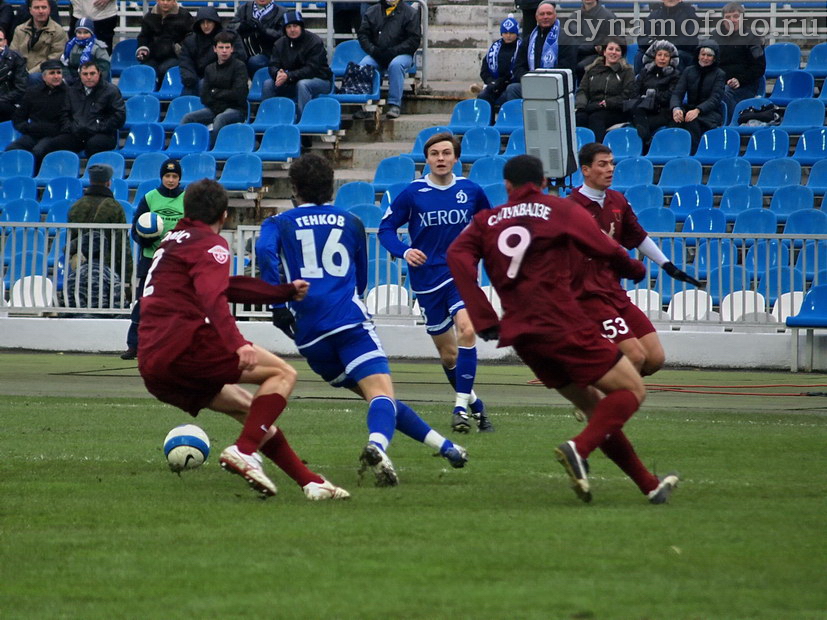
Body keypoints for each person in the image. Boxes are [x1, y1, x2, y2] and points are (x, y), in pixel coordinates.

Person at [447, 154, 680, 505]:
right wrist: (634, 269)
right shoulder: (558, 208)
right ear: (542, 182)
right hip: (562, 323)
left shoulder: (485, 220)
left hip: (523, 337)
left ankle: (649, 485)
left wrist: (483, 317)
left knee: (594, 407)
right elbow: (604, 246)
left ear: (507, 186)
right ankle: (578, 448)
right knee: (632, 390)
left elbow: (457, 256)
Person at [256, 153, 468, 487]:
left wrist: (280, 307)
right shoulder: (351, 222)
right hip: (348, 321)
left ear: (295, 188)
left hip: (309, 334)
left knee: (379, 398)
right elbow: (361, 280)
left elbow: (266, 256)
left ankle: (448, 448)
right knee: (381, 395)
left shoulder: (277, 223)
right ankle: (377, 445)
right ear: (331, 187)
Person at [138, 178, 349, 501]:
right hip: (185, 346)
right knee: (283, 374)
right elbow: (213, 297)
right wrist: (237, 342)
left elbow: (225, 286)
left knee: (253, 413)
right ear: (223, 216)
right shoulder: (210, 243)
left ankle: (311, 482)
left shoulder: (172, 241)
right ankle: (244, 451)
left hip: (153, 364)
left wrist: (283, 291)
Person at [378, 132, 493, 434]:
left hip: (461, 275)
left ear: (456, 158)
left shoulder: (471, 191)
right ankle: (477, 408)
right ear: (426, 159)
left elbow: (488, 227)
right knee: (449, 354)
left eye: (446, 153)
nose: (440, 159)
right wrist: (403, 250)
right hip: (426, 281)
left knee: (467, 329)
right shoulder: (414, 193)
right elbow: (386, 228)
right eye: (434, 154)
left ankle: (459, 408)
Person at [569, 142, 700, 379]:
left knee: (654, 359)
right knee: (635, 356)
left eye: (611, 163)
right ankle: (600, 399)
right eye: (602, 164)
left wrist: (667, 265)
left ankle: (598, 383)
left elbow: (638, 237)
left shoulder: (617, 201)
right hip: (587, 296)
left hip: (614, 292)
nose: (610, 169)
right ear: (586, 170)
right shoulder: (569, 207)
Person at [122, 158, 185, 360]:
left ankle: (175, 345)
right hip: (151, 259)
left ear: (179, 178)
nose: (170, 180)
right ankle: (134, 345)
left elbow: (195, 228)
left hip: (177, 260)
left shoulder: (187, 198)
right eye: (167, 176)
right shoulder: (150, 198)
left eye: (174, 176)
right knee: (144, 302)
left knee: (177, 303)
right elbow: (135, 229)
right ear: (161, 177)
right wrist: (145, 240)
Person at [353, 0, 421, 120]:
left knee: (396, 65)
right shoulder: (372, 11)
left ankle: (394, 104)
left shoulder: (410, 13)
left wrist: (394, 51)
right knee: (364, 64)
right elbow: (363, 34)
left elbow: (413, 40)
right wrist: (373, 50)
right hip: (377, 54)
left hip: (401, 54)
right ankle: (365, 104)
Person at [261, 11, 332, 120]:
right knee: (268, 84)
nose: (292, 29)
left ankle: (303, 122)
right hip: (291, 80)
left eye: (295, 26)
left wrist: (288, 76)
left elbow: (311, 69)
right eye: (289, 26)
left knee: (303, 84)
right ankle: (267, 120)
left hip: (319, 80)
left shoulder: (314, 42)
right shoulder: (279, 44)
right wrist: (278, 73)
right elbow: (273, 65)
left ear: (301, 26)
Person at [45, 60, 124, 157]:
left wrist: (98, 127)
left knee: (93, 144)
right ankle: (65, 171)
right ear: (80, 75)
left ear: (99, 73)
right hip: (77, 134)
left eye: (92, 73)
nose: (89, 77)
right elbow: (64, 114)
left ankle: (93, 171)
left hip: (103, 134)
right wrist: (71, 127)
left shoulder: (111, 91)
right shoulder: (72, 91)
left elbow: (119, 117)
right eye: (85, 74)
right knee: (55, 143)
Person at [180, 31, 247, 144]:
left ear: (232, 49)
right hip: (214, 109)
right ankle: (183, 147)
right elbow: (204, 96)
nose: (224, 50)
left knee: (220, 119)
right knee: (188, 118)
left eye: (227, 47)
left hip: (236, 110)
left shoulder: (240, 67)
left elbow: (238, 94)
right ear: (215, 49)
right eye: (221, 47)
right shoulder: (209, 69)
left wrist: (215, 92)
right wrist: (221, 95)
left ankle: (212, 151)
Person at [67, 162, 131, 277]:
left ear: (91, 181)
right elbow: (121, 244)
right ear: (108, 182)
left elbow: (72, 239)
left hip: (80, 269)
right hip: (107, 270)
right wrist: (126, 277)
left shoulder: (76, 206)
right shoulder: (114, 207)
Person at [503, 1, 573, 102]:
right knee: (512, 89)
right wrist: (530, 79)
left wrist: (545, 80)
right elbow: (518, 66)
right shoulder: (529, 39)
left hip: (555, 85)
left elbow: (567, 67)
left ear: (555, 16)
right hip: (532, 84)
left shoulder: (565, 38)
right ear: (536, 17)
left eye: (549, 13)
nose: (545, 17)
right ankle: (520, 118)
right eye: (542, 14)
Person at [574, 37, 635, 143]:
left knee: (596, 118)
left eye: (617, 50)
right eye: (610, 49)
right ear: (604, 51)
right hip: (593, 107)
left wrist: (608, 103)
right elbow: (582, 91)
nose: (613, 52)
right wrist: (581, 107)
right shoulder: (592, 70)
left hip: (616, 109)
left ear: (621, 53)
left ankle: (597, 150)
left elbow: (628, 95)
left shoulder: (627, 71)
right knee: (579, 117)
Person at [5, 58, 66, 163]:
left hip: (54, 136)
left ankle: (36, 177)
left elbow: (70, 121)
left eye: (59, 73)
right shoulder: (32, 93)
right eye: (52, 73)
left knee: (38, 151)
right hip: (33, 134)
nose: (56, 76)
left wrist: (55, 130)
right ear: (44, 76)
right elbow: (18, 117)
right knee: (11, 149)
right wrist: (27, 128)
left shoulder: (69, 94)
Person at [713, 2, 766, 122]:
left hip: (745, 85)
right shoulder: (714, 36)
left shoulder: (753, 37)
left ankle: (730, 125)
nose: (732, 20)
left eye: (735, 16)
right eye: (728, 17)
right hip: (719, 82)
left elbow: (759, 68)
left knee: (724, 93)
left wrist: (739, 80)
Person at [670, 41, 726, 151]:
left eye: (709, 55)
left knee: (692, 122)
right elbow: (677, 93)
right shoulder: (688, 71)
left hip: (710, 113)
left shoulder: (719, 74)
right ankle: (675, 153)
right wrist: (676, 108)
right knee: (675, 120)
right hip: (690, 109)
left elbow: (715, 99)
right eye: (703, 54)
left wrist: (698, 110)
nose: (705, 58)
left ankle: (693, 154)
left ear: (714, 58)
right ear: (698, 55)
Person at [178, 7, 245, 97]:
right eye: (202, 22)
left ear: (215, 22)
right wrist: (189, 77)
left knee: (203, 84)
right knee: (188, 90)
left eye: (209, 22)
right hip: (197, 76)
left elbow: (239, 56)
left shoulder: (229, 36)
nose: (206, 26)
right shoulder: (190, 40)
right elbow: (185, 61)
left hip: (224, 76)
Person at [630, 40, 681, 149]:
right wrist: (645, 99)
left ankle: (647, 144)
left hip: (661, 110)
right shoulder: (645, 71)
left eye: (666, 56)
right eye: (659, 55)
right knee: (635, 108)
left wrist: (651, 97)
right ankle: (647, 141)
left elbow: (670, 95)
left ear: (671, 59)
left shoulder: (675, 75)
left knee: (641, 123)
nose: (662, 58)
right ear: (654, 56)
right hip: (643, 109)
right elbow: (634, 91)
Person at [136, 0, 194, 86]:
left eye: (169, 0)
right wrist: (143, 49)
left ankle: (163, 91)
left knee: (164, 69)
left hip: (175, 56)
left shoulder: (185, 16)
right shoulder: (149, 17)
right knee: (146, 69)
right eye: (162, 0)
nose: (165, 3)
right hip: (153, 56)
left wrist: (179, 48)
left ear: (174, 1)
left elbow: (190, 36)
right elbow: (143, 37)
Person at [634, 0, 699, 73]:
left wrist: (667, 47)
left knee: (679, 55)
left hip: (679, 51)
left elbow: (690, 40)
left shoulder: (690, 16)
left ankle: (678, 82)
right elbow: (642, 39)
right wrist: (658, 47)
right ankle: (639, 81)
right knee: (640, 55)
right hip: (657, 50)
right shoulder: (654, 15)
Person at [476, 14, 521, 119]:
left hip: (511, 84)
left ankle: (507, 124)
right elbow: (485, 70)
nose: (508, 36)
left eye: (511, 33)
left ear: (516, 33)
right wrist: (491, 82)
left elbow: (520, 69)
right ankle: (488, 126)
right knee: (483, 96)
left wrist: (503, 82)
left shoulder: (522, 47)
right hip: (494, 85)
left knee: (507, 95)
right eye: (505, 33)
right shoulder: (494, 48)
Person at [10, 0, 67, 77]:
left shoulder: (58, 31)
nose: (40, 11)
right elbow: (13, 53)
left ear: (49, 9)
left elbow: (53, 59)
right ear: (30, 10)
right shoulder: (19, 30)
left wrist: (29, 74)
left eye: (44, 7)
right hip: (19, 72)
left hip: (44, 74)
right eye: (36, 8)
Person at [229, 0, 285, 78]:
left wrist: (264, 30)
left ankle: (256, 84)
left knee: (255, 61)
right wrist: (241, 26)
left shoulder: (281, 12)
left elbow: (282, 35)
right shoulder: (244, 8)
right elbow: (231, 27)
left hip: (269, 53)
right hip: (244, 50)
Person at [563, 0, 618, 79]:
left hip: (598, 55)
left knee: (580, 67)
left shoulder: (608, 17)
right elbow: (570, 40)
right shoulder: (574, 17)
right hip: (577, 53)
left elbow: (615, 41)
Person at [59, 17, 110, 83]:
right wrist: (68, 78)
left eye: (86, 32)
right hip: (72, 81)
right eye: (79, 32)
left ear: (91, 33)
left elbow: (104, 69)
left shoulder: (98, 48)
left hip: (93, 82)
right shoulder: (70, 46)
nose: (82, 36)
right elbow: (64, 65)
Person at [0, 28, 28, 122]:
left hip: (9, 102)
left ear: (5, 42)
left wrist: (2, 99)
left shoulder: (16, 58)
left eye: (0, 40)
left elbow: (21, 89)